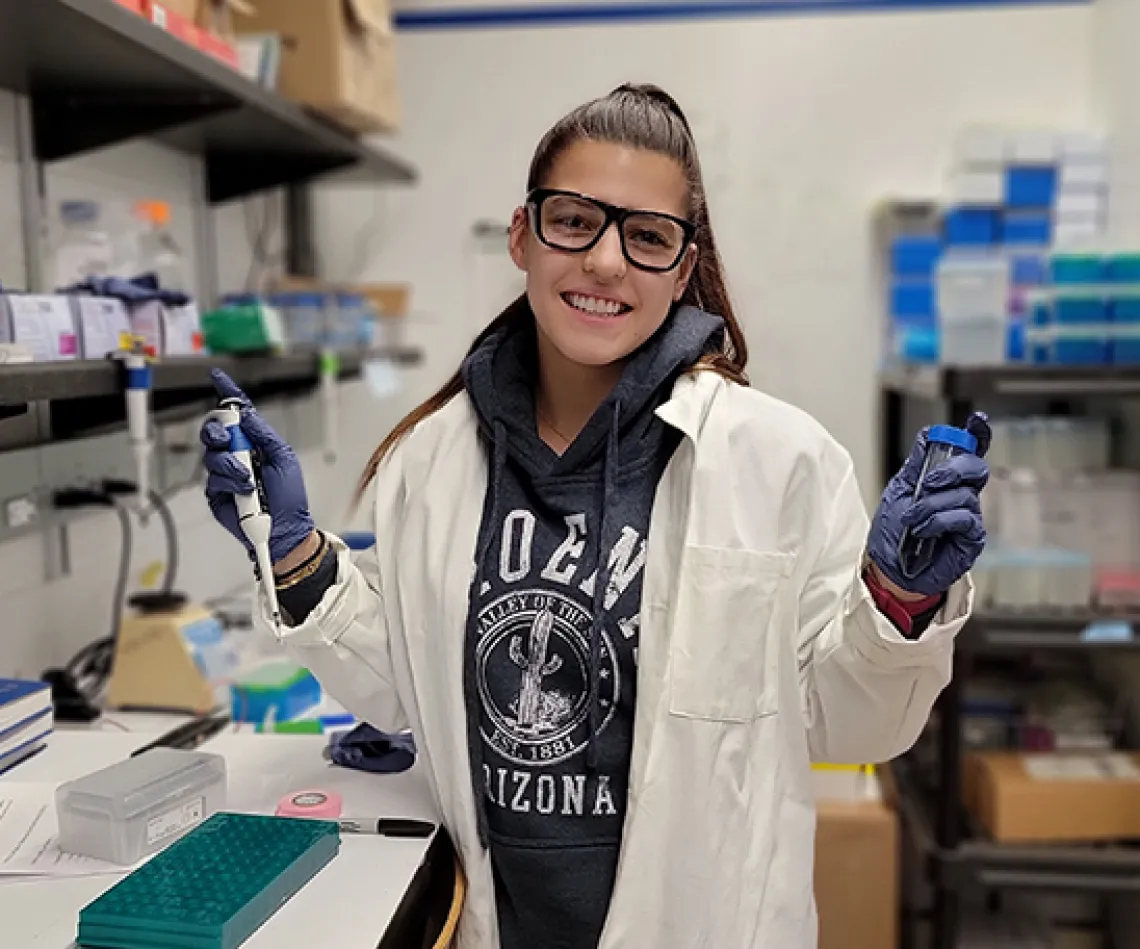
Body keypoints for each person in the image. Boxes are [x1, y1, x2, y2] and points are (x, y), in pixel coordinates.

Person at [201, 84, 989, 949]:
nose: (607, 262)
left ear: (682, 269)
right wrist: (302, 562)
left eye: (647, 236)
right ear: (523, 235)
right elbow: (405, 691)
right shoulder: (431, 459)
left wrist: (896, 604)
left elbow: (852, 721)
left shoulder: (776, 460)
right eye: (575, 220)